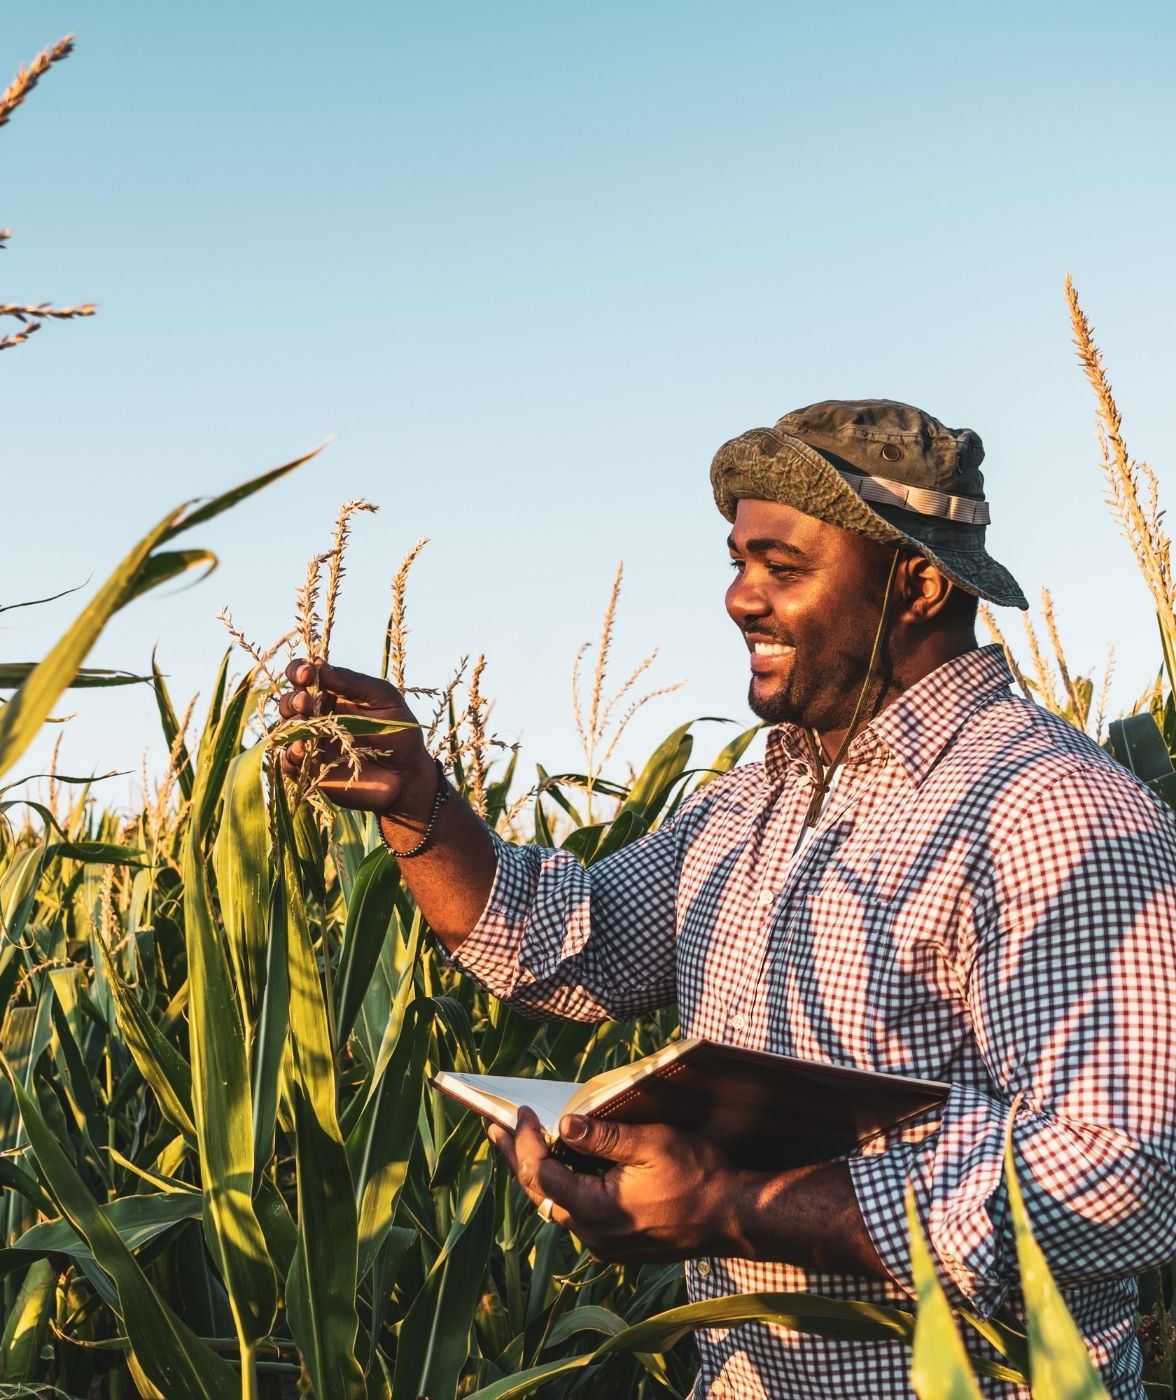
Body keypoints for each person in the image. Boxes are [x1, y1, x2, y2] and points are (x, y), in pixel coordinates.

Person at [279, 399, 1176, 1398]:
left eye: (781, 567)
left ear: (917, 581)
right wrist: (416, 801)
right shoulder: (752, 800)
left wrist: (733, 1202)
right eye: (736, 560)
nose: (739, 598)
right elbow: (563, 942)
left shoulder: (1054, 811)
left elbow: (1126, 1175)